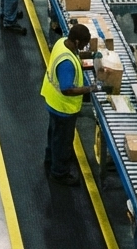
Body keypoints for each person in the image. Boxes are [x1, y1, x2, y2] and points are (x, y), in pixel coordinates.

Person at [41, 23, 99, 186]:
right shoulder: (66, 64)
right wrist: (90, 89)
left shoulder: (62, 43)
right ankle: (59, 173)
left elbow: (74, 56)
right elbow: (67, 89)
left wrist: (91, 56)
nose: (84, 47)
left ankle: (50, 159)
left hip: (52, 100)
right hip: (63, 107)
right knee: (63, 141)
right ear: (77, 42)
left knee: (54, 134)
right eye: (84, 44)